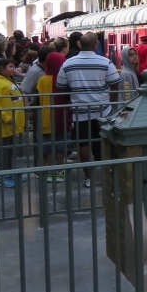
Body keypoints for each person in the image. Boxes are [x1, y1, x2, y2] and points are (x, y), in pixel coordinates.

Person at [56, 32, 120, 188]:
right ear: (95, 45)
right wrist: (112, 104)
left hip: (80, 111)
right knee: (103, 142)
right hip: (103, 110)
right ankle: (105, 175)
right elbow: (114, 84)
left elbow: (60, 86)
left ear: (80, 45)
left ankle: (88, 177)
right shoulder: (105, 62)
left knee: (83, 144)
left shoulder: (68, 63)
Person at [0, 58, 26, 188]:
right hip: (4, 121)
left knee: (9, 149)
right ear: (2, 69)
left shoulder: (7, 79)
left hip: (12, 120)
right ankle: (4, 176)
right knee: (4, 149)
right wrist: (5, 118)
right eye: (10, 66)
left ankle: (9, 172)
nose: (13, 69)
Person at [36, 52, 69, 182]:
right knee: (61, 143)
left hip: (45, 116)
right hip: (61, 115)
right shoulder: (63, 79)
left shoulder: (43, 79)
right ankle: (60, 169)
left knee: (48, 144)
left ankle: (51, 169)